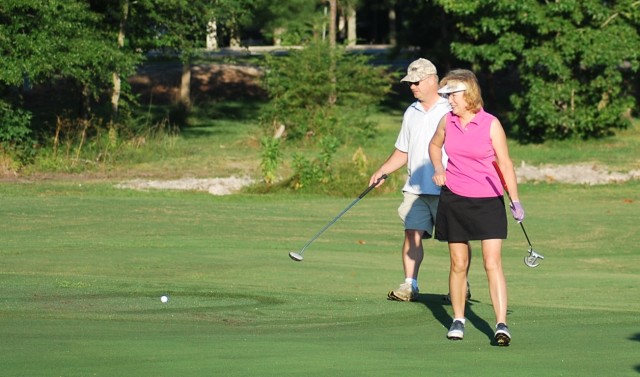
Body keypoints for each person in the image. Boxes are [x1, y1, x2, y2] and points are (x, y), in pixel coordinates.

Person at [429, 69, 524, 346]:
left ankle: (501, 324)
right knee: (459, 263)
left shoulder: (491, 124)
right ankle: (458, 318)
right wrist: (438, 168)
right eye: (446, 95)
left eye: (452, 94)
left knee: (491, 262)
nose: (449, 100)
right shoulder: (447, 121)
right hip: (455, 198)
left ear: (468, 93)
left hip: (488, 200)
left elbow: (505, 163)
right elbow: (434, 146)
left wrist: (515, 200)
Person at [369, 58, 471, 302]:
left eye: (416, 82)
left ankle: (461, 286)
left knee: (456, 240)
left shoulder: (451, 109)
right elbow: (403, 150)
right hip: (415, 188)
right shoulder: (411, 112)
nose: (412, 86)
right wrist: (383, 170)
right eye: (410, 82)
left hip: (448, 187)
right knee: (411, 234)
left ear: (432, 80)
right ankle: (409, 285)